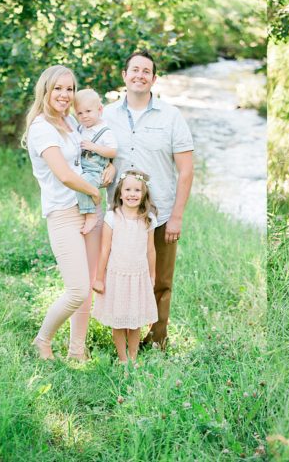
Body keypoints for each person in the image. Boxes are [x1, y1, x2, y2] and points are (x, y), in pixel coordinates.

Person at [103, 50, 194, 351]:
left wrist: (177, 216)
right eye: (134, 70)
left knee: (159, 280)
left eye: (146, 71)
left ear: (154, 79)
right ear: (124, 75)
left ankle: (156, 340)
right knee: (120, 276)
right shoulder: (107, 115)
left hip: (161, 213)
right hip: (120, 217)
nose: (139, 75)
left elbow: (186, 169)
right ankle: (123, 336)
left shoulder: (171, 116)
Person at [24, 65, 114, 361]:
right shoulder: (41, 128)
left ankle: (77, 350)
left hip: (89, 211)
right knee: (76, 288)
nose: (65, 95)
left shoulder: (71, 123)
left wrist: (109, 166)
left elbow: (89, 158)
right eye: (58, 89)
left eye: (70, 89)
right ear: (46, 91)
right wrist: (93, 193)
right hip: (63, 213)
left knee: (87, 287)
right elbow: (64, 174)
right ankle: (42, 340)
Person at [92, 170, 160, 366]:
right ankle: (123, 359)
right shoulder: (112, 217)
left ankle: (133, 358)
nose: (132, 194)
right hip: (117, 276)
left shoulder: (148, 219)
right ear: (120, 194)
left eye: (137, 190)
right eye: (128, 189)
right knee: (119, 320)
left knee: (135, 320)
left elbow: (151, 251)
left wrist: (152, 275)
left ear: (144, 194)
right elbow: (105, 250)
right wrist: (99, 278)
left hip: (138, 276)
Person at [73, 89, 118, 235]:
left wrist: (94, 147)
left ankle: (90, 214)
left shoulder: (105, 131)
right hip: (84, 167)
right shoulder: (81, 128)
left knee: (83, 182)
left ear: (99, 110)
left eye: (88, 111)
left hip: (96, 170)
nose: (84, 116)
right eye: (80, 113)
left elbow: (113, 151)